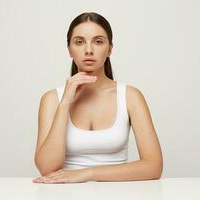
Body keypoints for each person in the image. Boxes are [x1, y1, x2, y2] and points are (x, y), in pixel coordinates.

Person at [33, 12, 163, 184]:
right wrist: (64, 103)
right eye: (79, 42)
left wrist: (87, 173)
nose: (88, 50)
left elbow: (153, 166)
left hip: (118, 193)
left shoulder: (131, 97)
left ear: (110, 49)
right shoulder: (52, 99)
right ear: (69, 50)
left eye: (98, 41)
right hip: (64, 194)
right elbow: (47, 168)